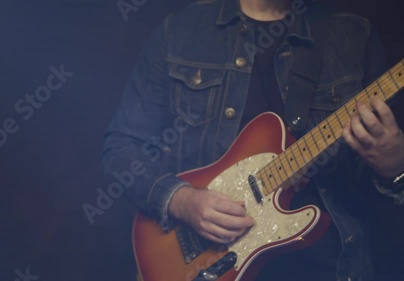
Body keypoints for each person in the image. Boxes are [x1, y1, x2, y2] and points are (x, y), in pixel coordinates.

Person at [102, 0, 404, 280]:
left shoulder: (354, 35)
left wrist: (395, 166)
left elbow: (375, 196)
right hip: (209, 264)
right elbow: (120, 148)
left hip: (329, 266)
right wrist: (181, 201)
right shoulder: (180, 31)